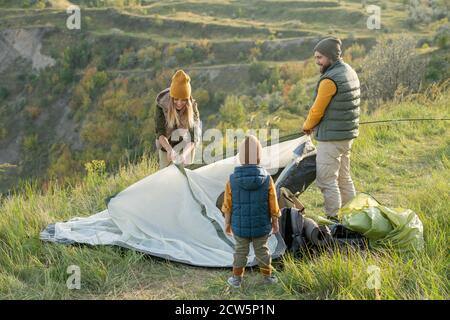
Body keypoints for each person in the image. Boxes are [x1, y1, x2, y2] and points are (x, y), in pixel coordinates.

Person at [302, 37, 360, 220]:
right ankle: (354, 216)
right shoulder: (349, 71)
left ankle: (334, 221)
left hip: (331, 140)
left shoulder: (329, 80)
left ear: (330, 56)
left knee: (327, 180)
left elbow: (317, 110)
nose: (317, 62)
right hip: (346, 136)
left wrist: (307, 126)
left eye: (320, 57)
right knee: (344, 179)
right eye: (315, 58)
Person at [221, 135, 281, 289]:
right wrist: (275, 223)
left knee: (240, 251)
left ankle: (236, 279)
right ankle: (267, 277)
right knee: (262, 250)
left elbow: (227, 205)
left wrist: (227, 224)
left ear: (240, 158)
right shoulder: (267, 179)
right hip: (261, 226)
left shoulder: (232, 180)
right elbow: (273, 205)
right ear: (260, 157)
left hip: (239, 227)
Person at [155, 69, 201, 169]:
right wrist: (169, 150)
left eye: (183, 100)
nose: (179, 103)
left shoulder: (192, 107)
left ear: (188, 99)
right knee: (166, 177)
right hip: (166, 144)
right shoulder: (161, 104)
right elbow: (160, 132)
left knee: (186, 174)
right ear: (171, 98)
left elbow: (193, 137)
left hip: (187, 144)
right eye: (176, 99)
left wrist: (184, 155)